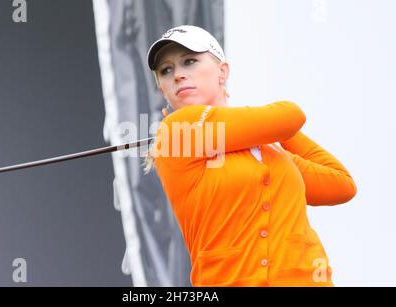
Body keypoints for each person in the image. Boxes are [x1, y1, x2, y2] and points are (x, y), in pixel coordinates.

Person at [144, 25, 357, 287]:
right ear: (163, 90)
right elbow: (291, 114)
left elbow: (341, 185)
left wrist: (265, 133)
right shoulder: (176, 131)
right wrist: (269, 128)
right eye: (166, 70)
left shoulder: (270, 152)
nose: (177, 75)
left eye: (189, 61)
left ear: (223, 72)